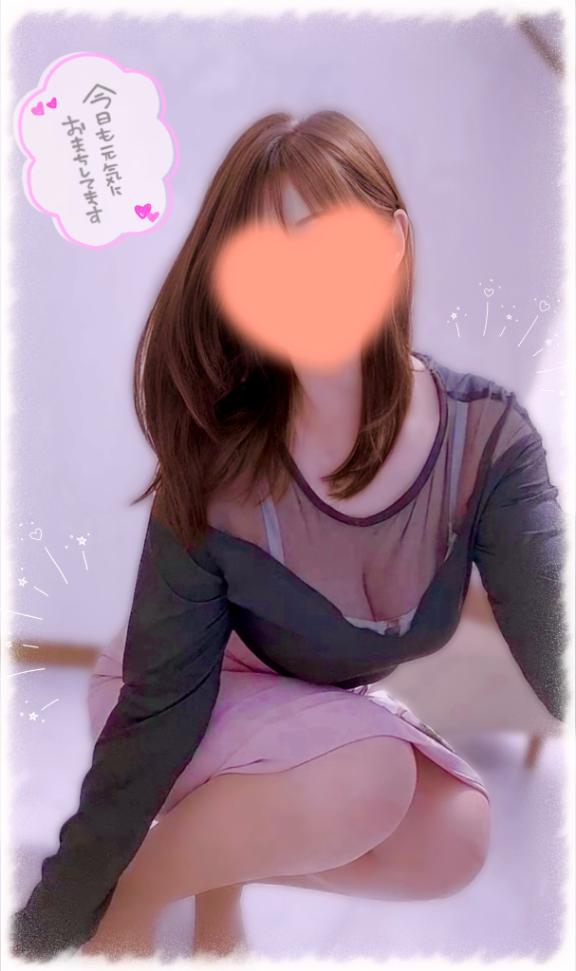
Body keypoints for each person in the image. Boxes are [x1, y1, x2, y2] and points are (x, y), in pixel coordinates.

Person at [11, 110, 568, 961]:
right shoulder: (223, 470)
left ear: (391, 242)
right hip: (174, 697)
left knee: (455, 833)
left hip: (306, 721)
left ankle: (208, 868)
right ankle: (136, 895)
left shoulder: (486, 443)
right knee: (371, 775)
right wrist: (53, 919)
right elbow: (160, 705)